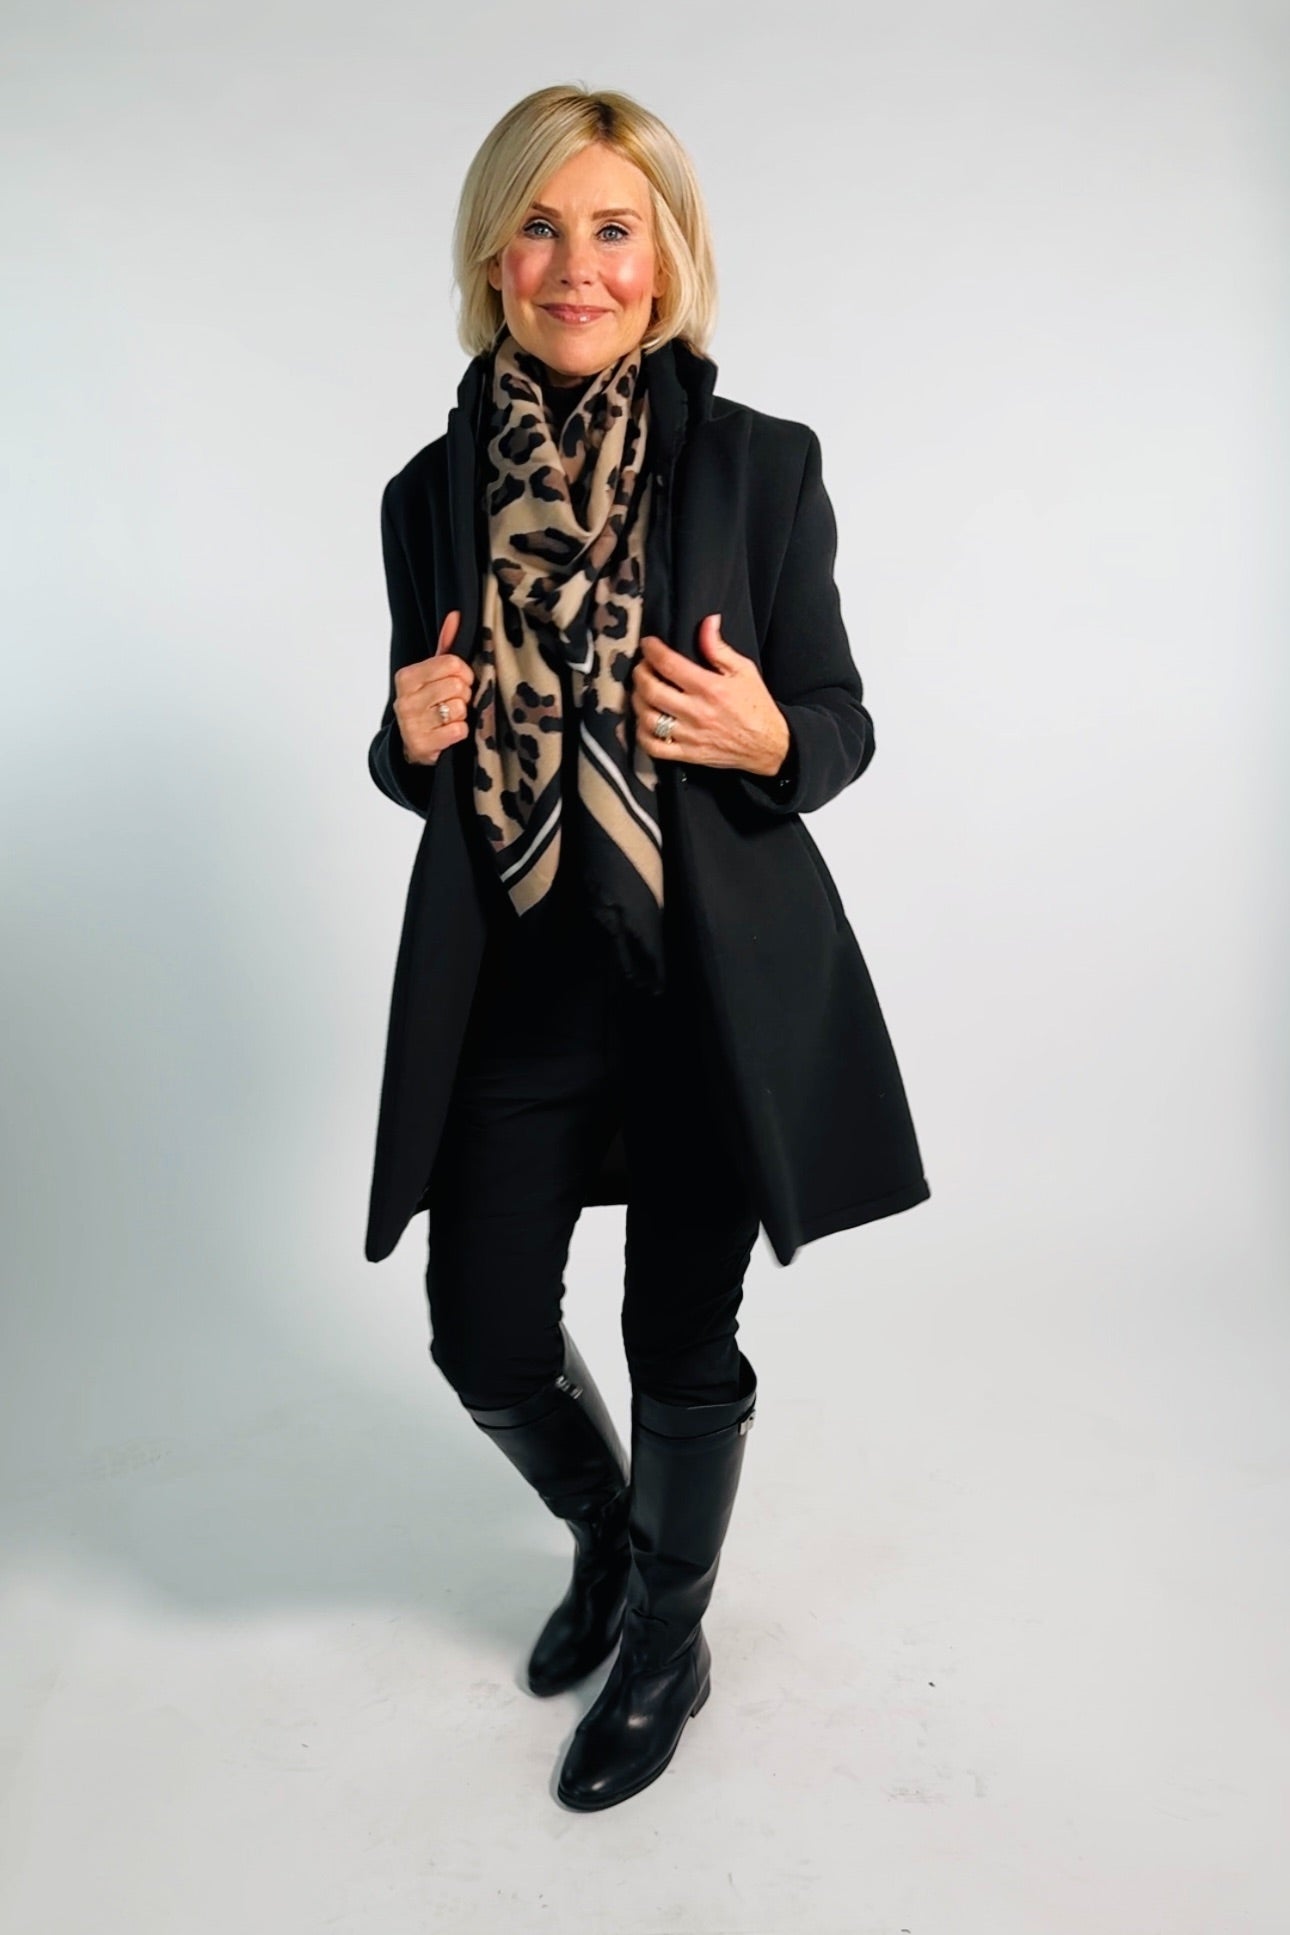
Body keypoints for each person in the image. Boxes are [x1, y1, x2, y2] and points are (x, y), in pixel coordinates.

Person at [364, 83, 931, 1811]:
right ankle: (614, 1542)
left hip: (710, 991)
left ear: (667, 257)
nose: (577, 265)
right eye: (539, 227)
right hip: (519, 982)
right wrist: (402, 736)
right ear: (491, 256)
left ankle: (666, 1644)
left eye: (615, 228)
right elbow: (419, 742)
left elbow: (836, 720)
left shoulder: (762, 466)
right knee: (483, 1337)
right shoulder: (424, 492)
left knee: (681, 1337)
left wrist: (772, 739)